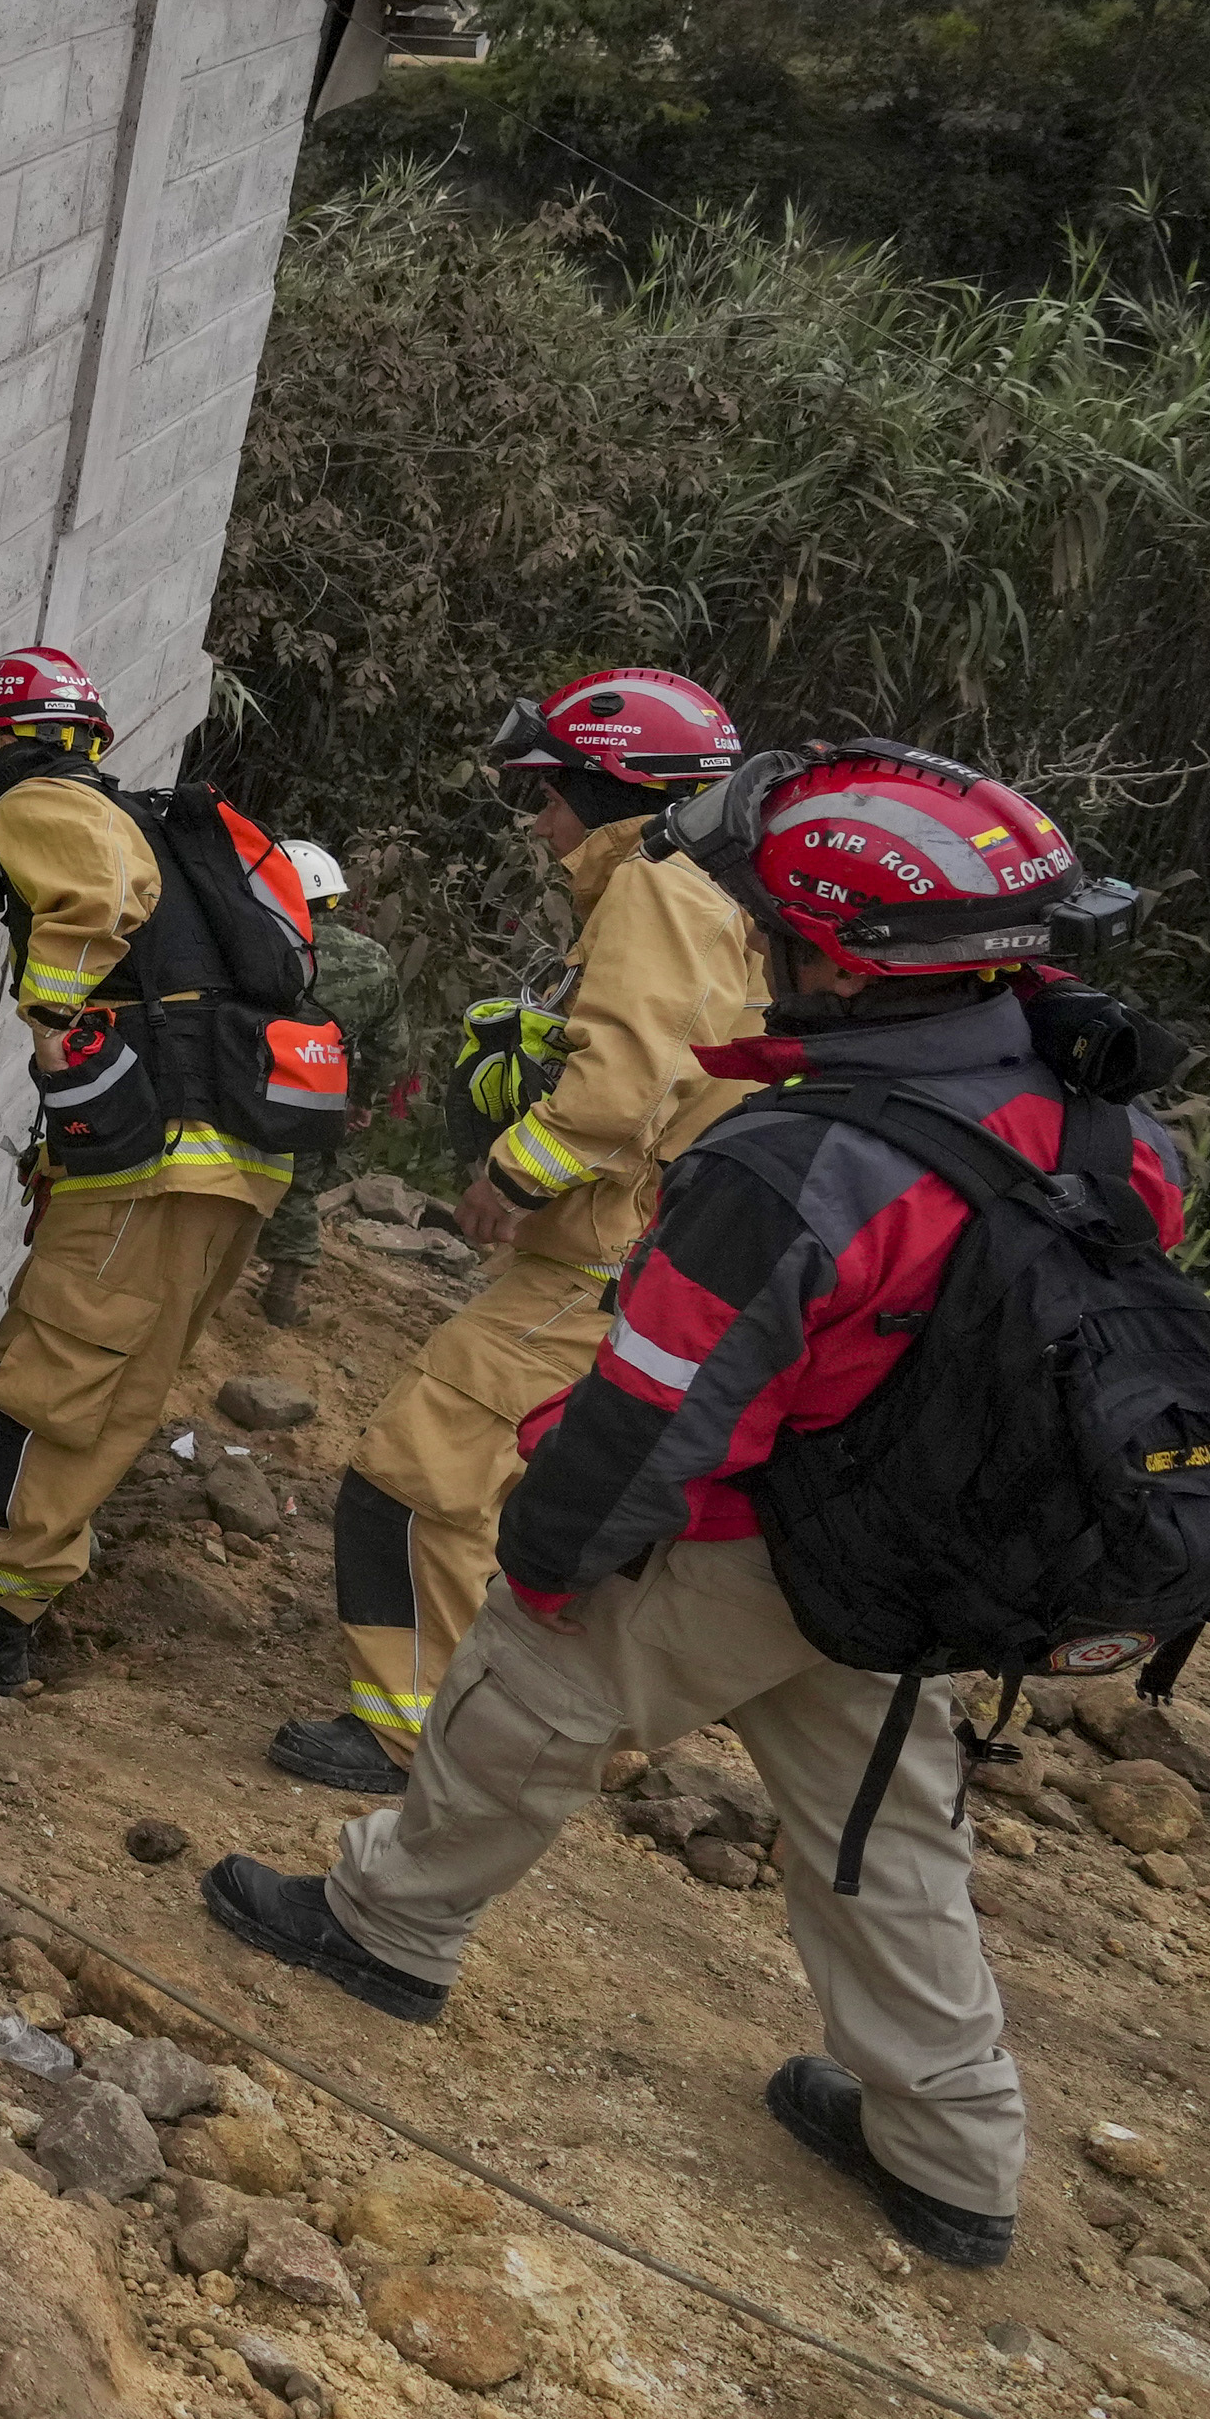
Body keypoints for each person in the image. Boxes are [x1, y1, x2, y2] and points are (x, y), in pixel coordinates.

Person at [202, 745, 1183, 2272]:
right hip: (929, 1565)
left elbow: (657, 1403)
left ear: (836, 958)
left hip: (751, 1540)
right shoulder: (1105, 1124)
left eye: (778, 931)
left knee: (528, 1694)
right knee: (885, 1837)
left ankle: (385, 1929)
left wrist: (545, 1559)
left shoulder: (799, 1159)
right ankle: (951, 2153)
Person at [276, 674, 766, 1794]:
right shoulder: (720, 894)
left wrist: (512, 1171)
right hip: (645, 1256)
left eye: (547, 797)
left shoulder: (656, 888)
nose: (539, 825)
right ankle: (549, 1721)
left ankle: (411, 1736)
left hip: (594, 1257)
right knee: (544, 1499)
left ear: (614, 787)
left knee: (415, 1476)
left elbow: (631, 1076)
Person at [0, 646, 304, 1698]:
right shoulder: (140, 817)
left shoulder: (42, 798)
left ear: (1, 739)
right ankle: (22, 1587)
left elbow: (100, 897)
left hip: (154, 1168)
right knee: (121, 1380)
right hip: (230, 1160)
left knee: (59, 1377)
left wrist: (56, 1022)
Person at [247, 841, 399, 1331]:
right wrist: (361, 1099)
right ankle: (281, 1295)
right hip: (313, 1095)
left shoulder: (247, 941)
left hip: (239, 1084)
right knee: (297, 1184)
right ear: (333, 899)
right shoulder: (372, 960)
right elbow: (389, 1047)